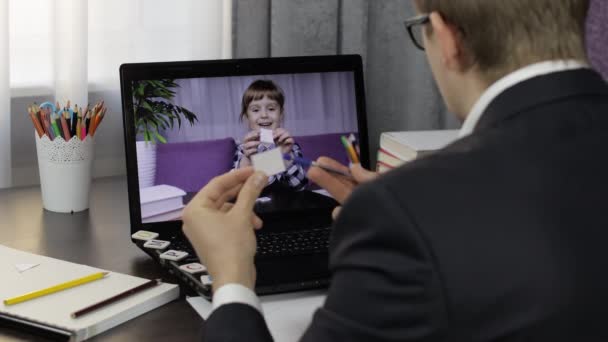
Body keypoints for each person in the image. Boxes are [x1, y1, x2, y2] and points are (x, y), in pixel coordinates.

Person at [183, 0, 608, 340]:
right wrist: (413, 205)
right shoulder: (409, 206)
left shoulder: (401, 210)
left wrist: (232, 279)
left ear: (446, 38)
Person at [233, 79, 307, 191]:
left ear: (281, 114)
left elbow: (301, 186)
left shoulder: (290, 146)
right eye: (256, 110)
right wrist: (247, 160)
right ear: (247, 117)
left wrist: (284, 155)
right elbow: (235, 188)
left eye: (271, 109)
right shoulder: (243, 148)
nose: (264, 115)